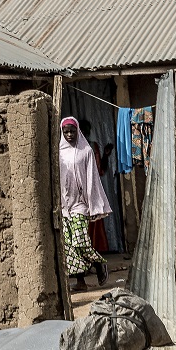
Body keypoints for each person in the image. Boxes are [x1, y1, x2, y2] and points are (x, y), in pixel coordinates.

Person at [60, 117, 112, 290]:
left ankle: (99, 262)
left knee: (81, 241)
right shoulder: (59, 152)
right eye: (66, 131)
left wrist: (93, 203)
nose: (69, 134)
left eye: (72, 131)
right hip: (64, 205)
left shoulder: (86, 151)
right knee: (69, 246)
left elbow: (92, 178)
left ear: (78, 131)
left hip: (80, 204)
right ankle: (80, 282)